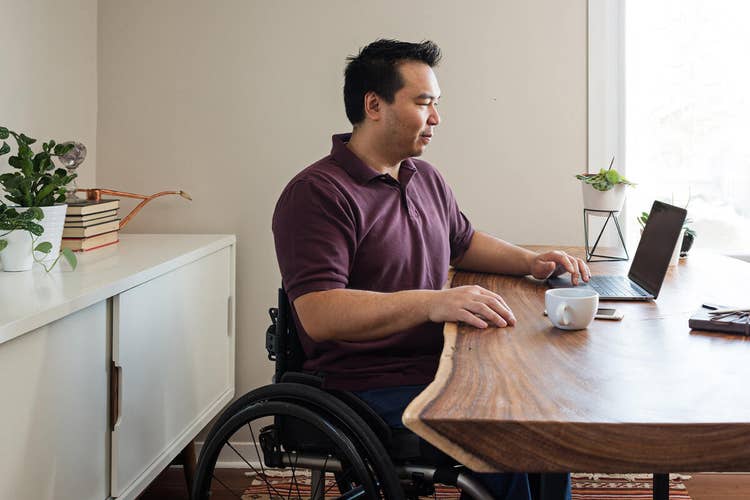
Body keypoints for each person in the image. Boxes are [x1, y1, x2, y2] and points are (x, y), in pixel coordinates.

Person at [272, 39, 589, 500]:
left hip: (437, 364)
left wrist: (531, 262)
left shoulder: (422, 177)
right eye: (423, 103)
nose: (436, 118)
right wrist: (434, 303)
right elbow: (320, 314)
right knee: (505, 431)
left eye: (435, 104)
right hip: (365, 383)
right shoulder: (318, 193)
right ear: (374, 105)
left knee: (543, 418)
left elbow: (463, 242)